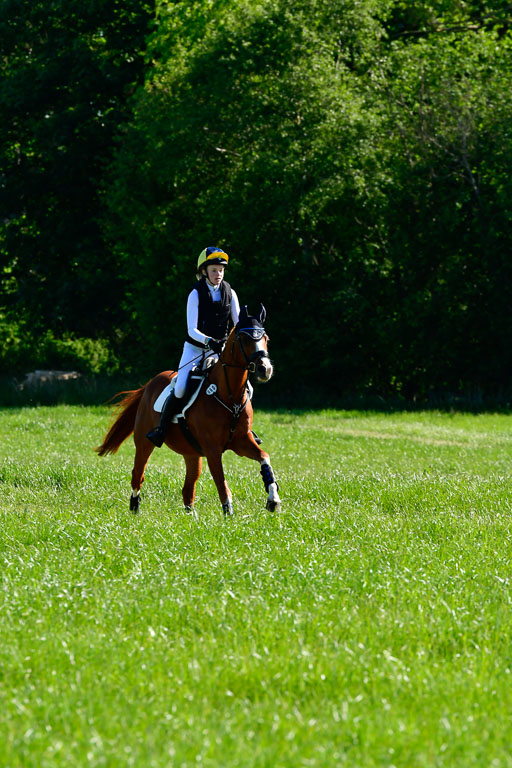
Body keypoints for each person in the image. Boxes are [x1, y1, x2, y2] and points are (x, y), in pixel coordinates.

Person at [146, 246, 240, 447]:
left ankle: (244, 428)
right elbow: (192, 330)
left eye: (221, 270)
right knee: (180, 387)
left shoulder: (230, 293)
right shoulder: (195, 294)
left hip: (220, 350)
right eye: (214, 270)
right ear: (204, 271)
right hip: (195, 349)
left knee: (242, 384)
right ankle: (162, 429)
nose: (218, 274)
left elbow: (238, 324)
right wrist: (210, 341)